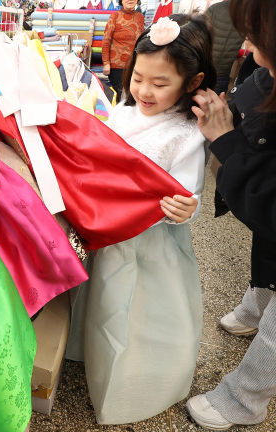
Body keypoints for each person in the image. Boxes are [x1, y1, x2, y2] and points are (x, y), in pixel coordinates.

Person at [67, 13, 216, 424]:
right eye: (138, 78)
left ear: (192, 82)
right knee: (103, 299)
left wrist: (189, 208)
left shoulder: (188, 133)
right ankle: (89, 351)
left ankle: (134, 383)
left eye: (160, 83)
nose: (144, 91)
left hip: (152, 244)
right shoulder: (124, 113)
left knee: (137, 312)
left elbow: (190, 192)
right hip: (111, 232)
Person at [186, 0, 276, 429]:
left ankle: (246, 399)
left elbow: (269, 203)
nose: (246, 45)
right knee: (267, 254)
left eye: (256, 39)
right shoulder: (263, 76)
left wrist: (225, 140)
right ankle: (256, 307)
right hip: (268, 226)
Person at [101, 0, 145, 102]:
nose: (130, 0)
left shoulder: (140, 17)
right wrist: (106, 63)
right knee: (119, 97)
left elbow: (141, 41)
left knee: (133, 97)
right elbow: (106, 40)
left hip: (134, 65)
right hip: (116, 66)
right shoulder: (115, 16)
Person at [207, 0, 244, 95]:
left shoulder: (215, 8)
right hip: (223, 73)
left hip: (205, 68)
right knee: (216, 104)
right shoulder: (251, 15)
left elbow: (199, 33)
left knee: (191, 103)